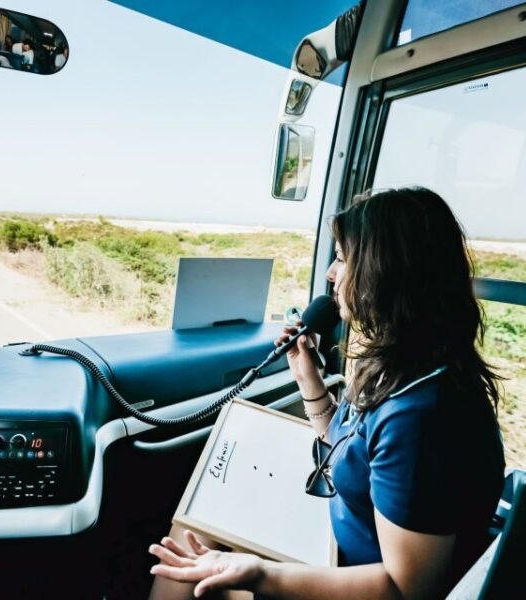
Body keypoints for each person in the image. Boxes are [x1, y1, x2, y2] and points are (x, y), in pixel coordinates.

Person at [149, 187, 505, 599]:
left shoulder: (421, 416)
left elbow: (406, 588)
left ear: (384, 271)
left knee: (193, 573)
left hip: (352, 570)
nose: (331, 274)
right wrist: (309, 382)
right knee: (198, 521)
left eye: (341, 257)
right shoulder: (399, 363)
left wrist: (260, 574)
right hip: (342, 533)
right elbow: (349, 453)